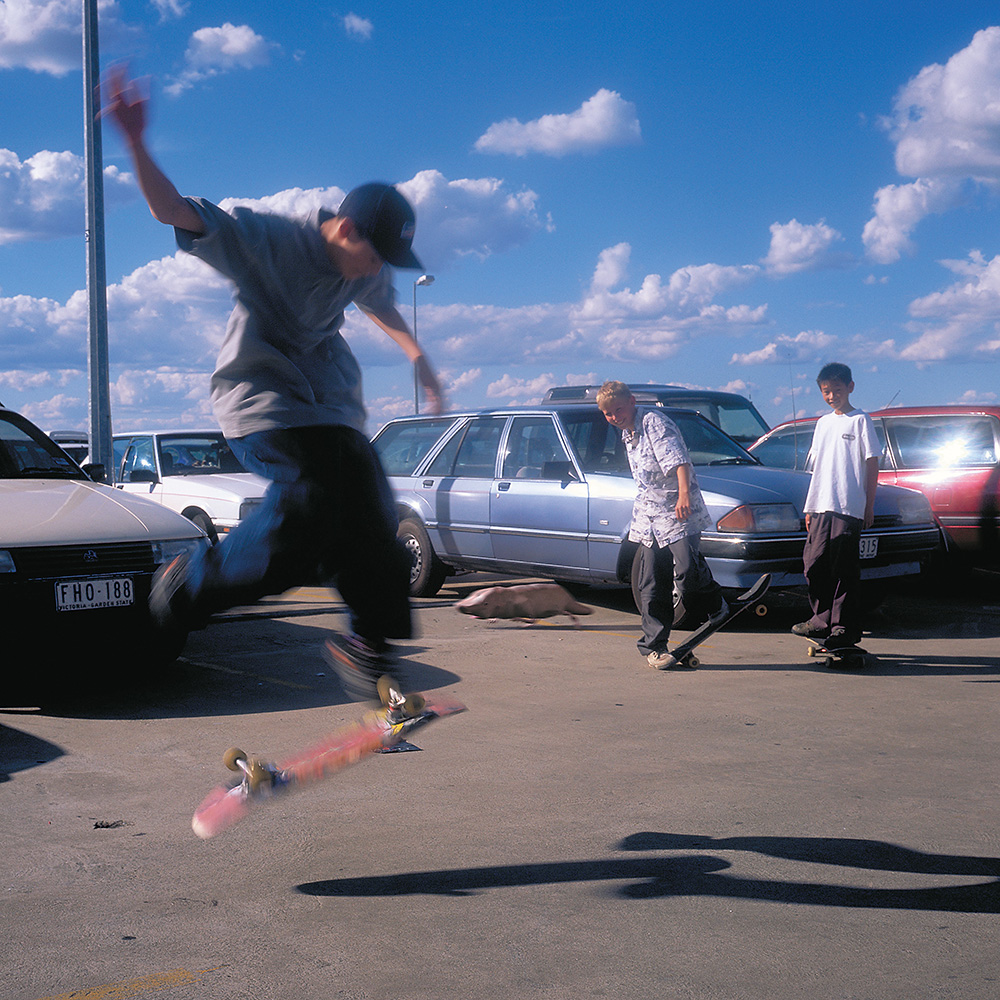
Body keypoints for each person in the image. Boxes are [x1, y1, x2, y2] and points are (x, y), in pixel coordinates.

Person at [102, 66, 443, 700]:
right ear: (344, 230)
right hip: (260, 401)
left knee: (369, 500)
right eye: (373, 257)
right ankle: (189, 582)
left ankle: (367, 642)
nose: (374, 273)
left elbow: (381, 303)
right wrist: (134, 140)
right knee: (307, 510)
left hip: (325, 405)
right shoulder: (270, 240)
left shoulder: (361, 265)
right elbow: (170, 210)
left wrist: (416, 351)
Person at [596, 381, 726, 669]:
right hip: (649, 515)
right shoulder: (627, 433)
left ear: (631, 401)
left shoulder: (653, 421)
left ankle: (716, 604)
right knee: (652, 580)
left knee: (688, 571)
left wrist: (683, 495)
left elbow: (679, 461)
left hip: (677, 510)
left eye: (618, 409)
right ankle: (654, 646)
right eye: (608, 414)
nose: (614, 417)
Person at [791, 362, 880, 649]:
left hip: (848, 506)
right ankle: (821, 621)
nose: (832, 396)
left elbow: (872, 463)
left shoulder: (860, 421)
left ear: (850, 387)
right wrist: (810, 506)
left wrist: (868, 505)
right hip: (820, 506)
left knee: (844, 569)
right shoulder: (822, 423)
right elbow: (817, 468)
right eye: (826, 391)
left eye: (837, 390)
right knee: (814, 564)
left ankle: (845, 627)